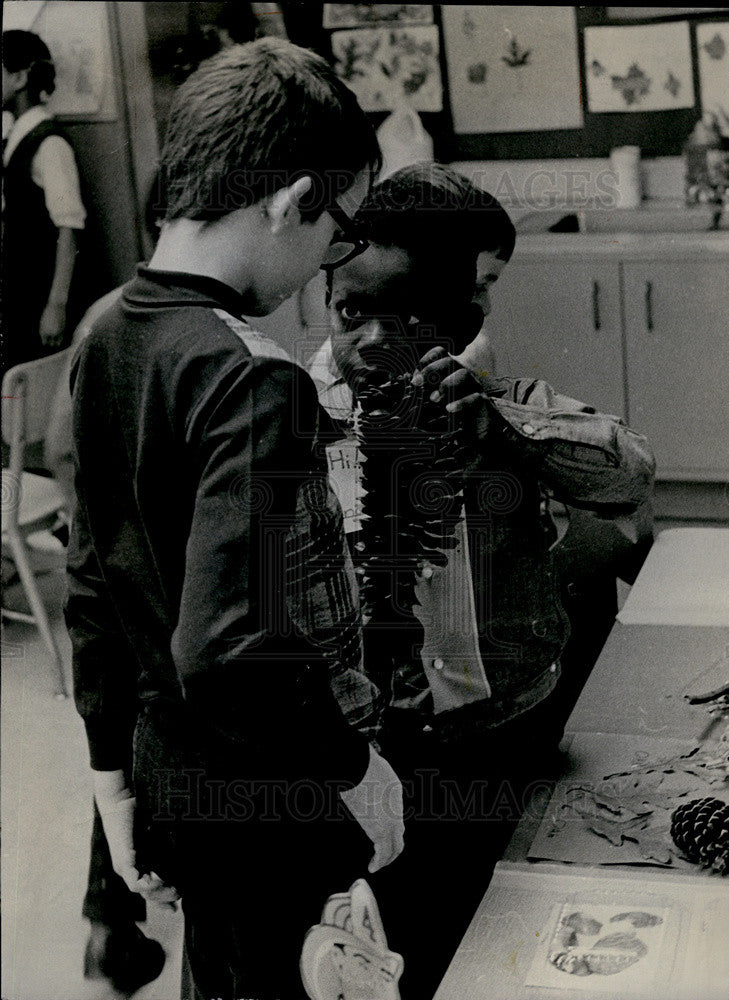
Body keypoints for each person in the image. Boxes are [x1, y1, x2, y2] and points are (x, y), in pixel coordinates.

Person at [66, 39, 404, 1000]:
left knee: (221, 977)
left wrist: (113, 784)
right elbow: (227, 646)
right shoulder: (254, 380)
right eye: (334, 233)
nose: (322, 266)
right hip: (271, 789)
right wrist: (352, 769)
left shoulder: (107, 335)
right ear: (293, 202)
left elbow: (91, 580)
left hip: (169, 770)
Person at [310, 162, 655, 997]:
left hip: (509, 728)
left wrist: (500, 424)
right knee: (403, 942)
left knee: (512, 938)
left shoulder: (498, 403)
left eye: (407, 316)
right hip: (375, 755)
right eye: (351, 309)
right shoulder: (294, 418)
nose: (370, 337)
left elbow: (629, 473)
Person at [2, 30, 86, 371]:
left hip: (40, 292)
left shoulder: (50, 144)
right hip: (18, 287)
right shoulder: (15, 135)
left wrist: (56, 307)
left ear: (21, 78)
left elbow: (70, 228)